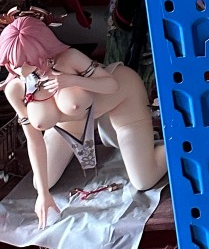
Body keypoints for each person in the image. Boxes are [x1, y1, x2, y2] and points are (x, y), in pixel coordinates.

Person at [1, 13, 166, 228]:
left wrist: (71, 80)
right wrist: (43, 195)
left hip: (121, 98)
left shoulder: (68, 58)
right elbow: (34, 140)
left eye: (26, 61)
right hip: (70, 125)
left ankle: (179, 143)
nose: (20, 70)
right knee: (42, 182)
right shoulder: (15, 89)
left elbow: (112, 85)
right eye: (13, 63)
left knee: (144, 180)